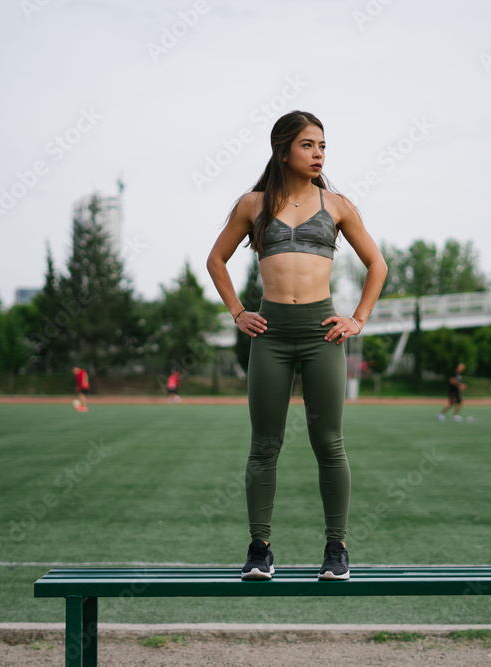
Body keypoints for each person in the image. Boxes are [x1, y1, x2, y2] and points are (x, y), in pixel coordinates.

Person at [206, 110, 387, 582]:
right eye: (308, 144)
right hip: (270, 334)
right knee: (264, 445)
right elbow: (216, 260)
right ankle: (260, 549)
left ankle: (336, 549)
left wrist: (358, 319)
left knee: (329, 443)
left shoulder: (339, 204)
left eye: (322, 145)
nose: (319, 153)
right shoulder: (253, 204)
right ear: (283, 149)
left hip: (321, 333)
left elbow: (378, 265)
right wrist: (238, 312)